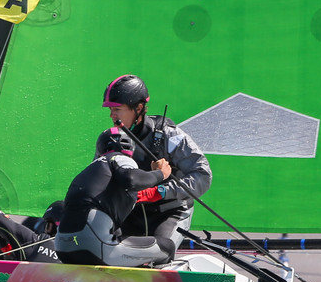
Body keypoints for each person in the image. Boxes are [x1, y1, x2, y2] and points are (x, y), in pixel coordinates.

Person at [54, 74, 212, 266]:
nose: (112, 115)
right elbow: (101, 183)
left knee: (161, 257)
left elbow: (203, 176)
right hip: (131, 214)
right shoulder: (111, 139)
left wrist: (160, 191)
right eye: (111, 110)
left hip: (169, 213)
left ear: (138, 108)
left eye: (117, 110)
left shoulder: (170, 136)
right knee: (110, 260)